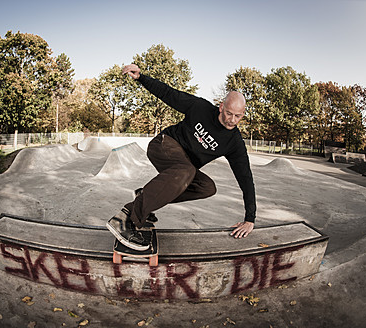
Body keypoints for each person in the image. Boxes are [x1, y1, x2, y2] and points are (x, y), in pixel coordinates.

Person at [106, 64, 256, 251]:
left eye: (238, 116)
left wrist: (250, 218)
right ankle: (125, 218)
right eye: (228, 113)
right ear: (221, 107)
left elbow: (245, 177)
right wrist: (141, 78)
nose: (231, 120)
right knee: (187, 170)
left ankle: (147, 197)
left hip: (182, 168)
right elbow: (169, 94)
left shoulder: (234, 143)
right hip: (163, 145)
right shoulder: (200, 107)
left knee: (207, 187)